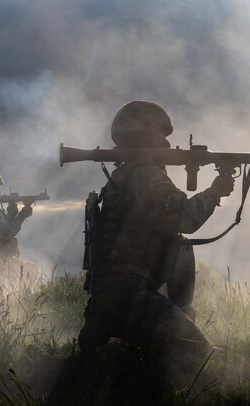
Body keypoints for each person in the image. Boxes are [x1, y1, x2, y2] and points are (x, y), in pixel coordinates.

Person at [77, 100, 235, 386]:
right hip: (131, 298)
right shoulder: (146, 175)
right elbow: (184, 217)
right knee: (203, 357)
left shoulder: (124, 174)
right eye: (161, 137)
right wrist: (215, 192)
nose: (166, 144)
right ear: (147, 138)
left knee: (181, 246)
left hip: (109, 295)